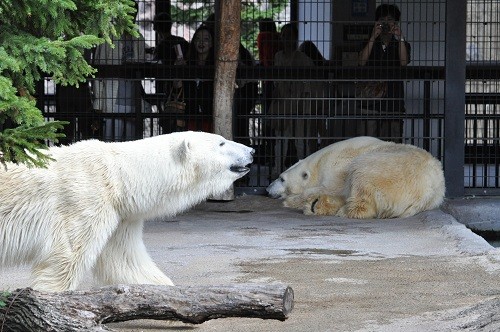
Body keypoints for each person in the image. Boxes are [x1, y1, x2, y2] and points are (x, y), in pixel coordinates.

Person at [92, 1, 151, 142]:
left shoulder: (139, 39)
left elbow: (142, 70)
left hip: (133, 99)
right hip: (112, 98)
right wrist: (98, 103)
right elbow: (98, 71)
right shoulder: (107, 38)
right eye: (127, 13)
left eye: (133, 13)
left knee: (132, 143)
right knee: (111, 141)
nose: (130, 17)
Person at [357, 3, 411, 141]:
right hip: (371, 101)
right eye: (382, 19)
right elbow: (362, 62)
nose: (386, 23)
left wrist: (400, 37)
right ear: (377, 22)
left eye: (390, 19)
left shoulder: (401, 44)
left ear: (396, 22)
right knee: (369, 142)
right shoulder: (369, 42)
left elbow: (404, 62)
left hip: (394, 99)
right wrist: (372, 38)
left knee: (393, 143)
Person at [269, 23, 316, 176]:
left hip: (299, 102)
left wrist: (304, 102)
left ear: (296, 38)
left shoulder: (304, 59)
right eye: (284, 35)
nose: (287, 38)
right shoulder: (278, 56)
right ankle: (278, 171)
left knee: (300, 141)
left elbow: (309, 84)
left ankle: (305, 173)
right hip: (282, 102)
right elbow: (275, 79)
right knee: (280, 140)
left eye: (290, 35)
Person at [174, 25, 215, 132]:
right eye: (197, 39)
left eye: (206, 39)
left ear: (211, 44)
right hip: (190, 114)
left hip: (211, 115)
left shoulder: (216, 66)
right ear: (193, 42)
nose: (201, 42)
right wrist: (177, 69)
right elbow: (177, 87)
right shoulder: (187, 64)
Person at [152, 12, 189, 133]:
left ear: (156, 29)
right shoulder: (182, 41)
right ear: (170, 25)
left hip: (166, 87)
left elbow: (156, 64)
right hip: (185, 86)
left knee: (167, 120)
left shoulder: (161, 46)